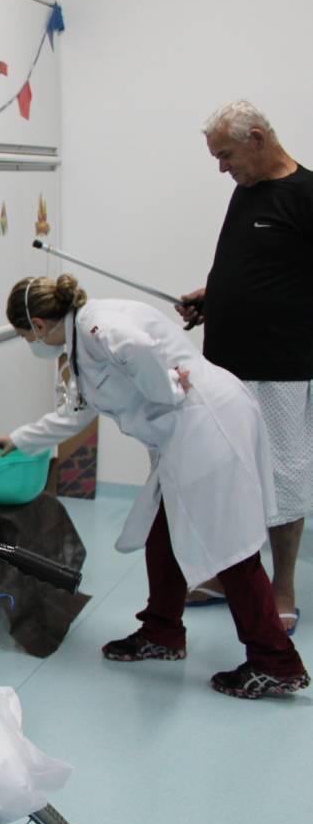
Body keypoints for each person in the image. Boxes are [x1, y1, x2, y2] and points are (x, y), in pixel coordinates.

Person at [0, 274, 307, 699]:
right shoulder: (83, 342)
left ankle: (276, 662)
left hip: (204, 424)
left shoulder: (94, 326)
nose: (28, 341)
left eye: (23, 333)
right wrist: (20, 439)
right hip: (188, 432)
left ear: (39, 323)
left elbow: (138, 348)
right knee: (164, 534)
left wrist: (169, 389)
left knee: (229, 549)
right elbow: (77, 414)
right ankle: (162, 631)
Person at [176, 100, 312, 634]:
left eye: (225, 155)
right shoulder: (245, 192)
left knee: (284, 475)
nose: (221, 167)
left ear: (257, 138)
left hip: (282, 365)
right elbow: (254, 267)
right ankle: (228, 574)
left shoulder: (306, 195)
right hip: (225, 362)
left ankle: (281, 585)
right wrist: (213, 297)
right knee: (227, 469)